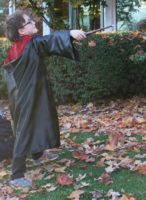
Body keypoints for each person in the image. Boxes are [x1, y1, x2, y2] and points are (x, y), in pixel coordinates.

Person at [2, 10, 86, 188]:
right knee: (24, 131)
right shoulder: (31, 43)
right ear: (21, 31)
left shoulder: (14, 49)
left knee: (36, 120)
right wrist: (70, 33)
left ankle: (38, 155)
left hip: (20, 96)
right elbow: (48, 41)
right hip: (28, 95)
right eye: (29, 22)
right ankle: (17, 175)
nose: (34, 23)